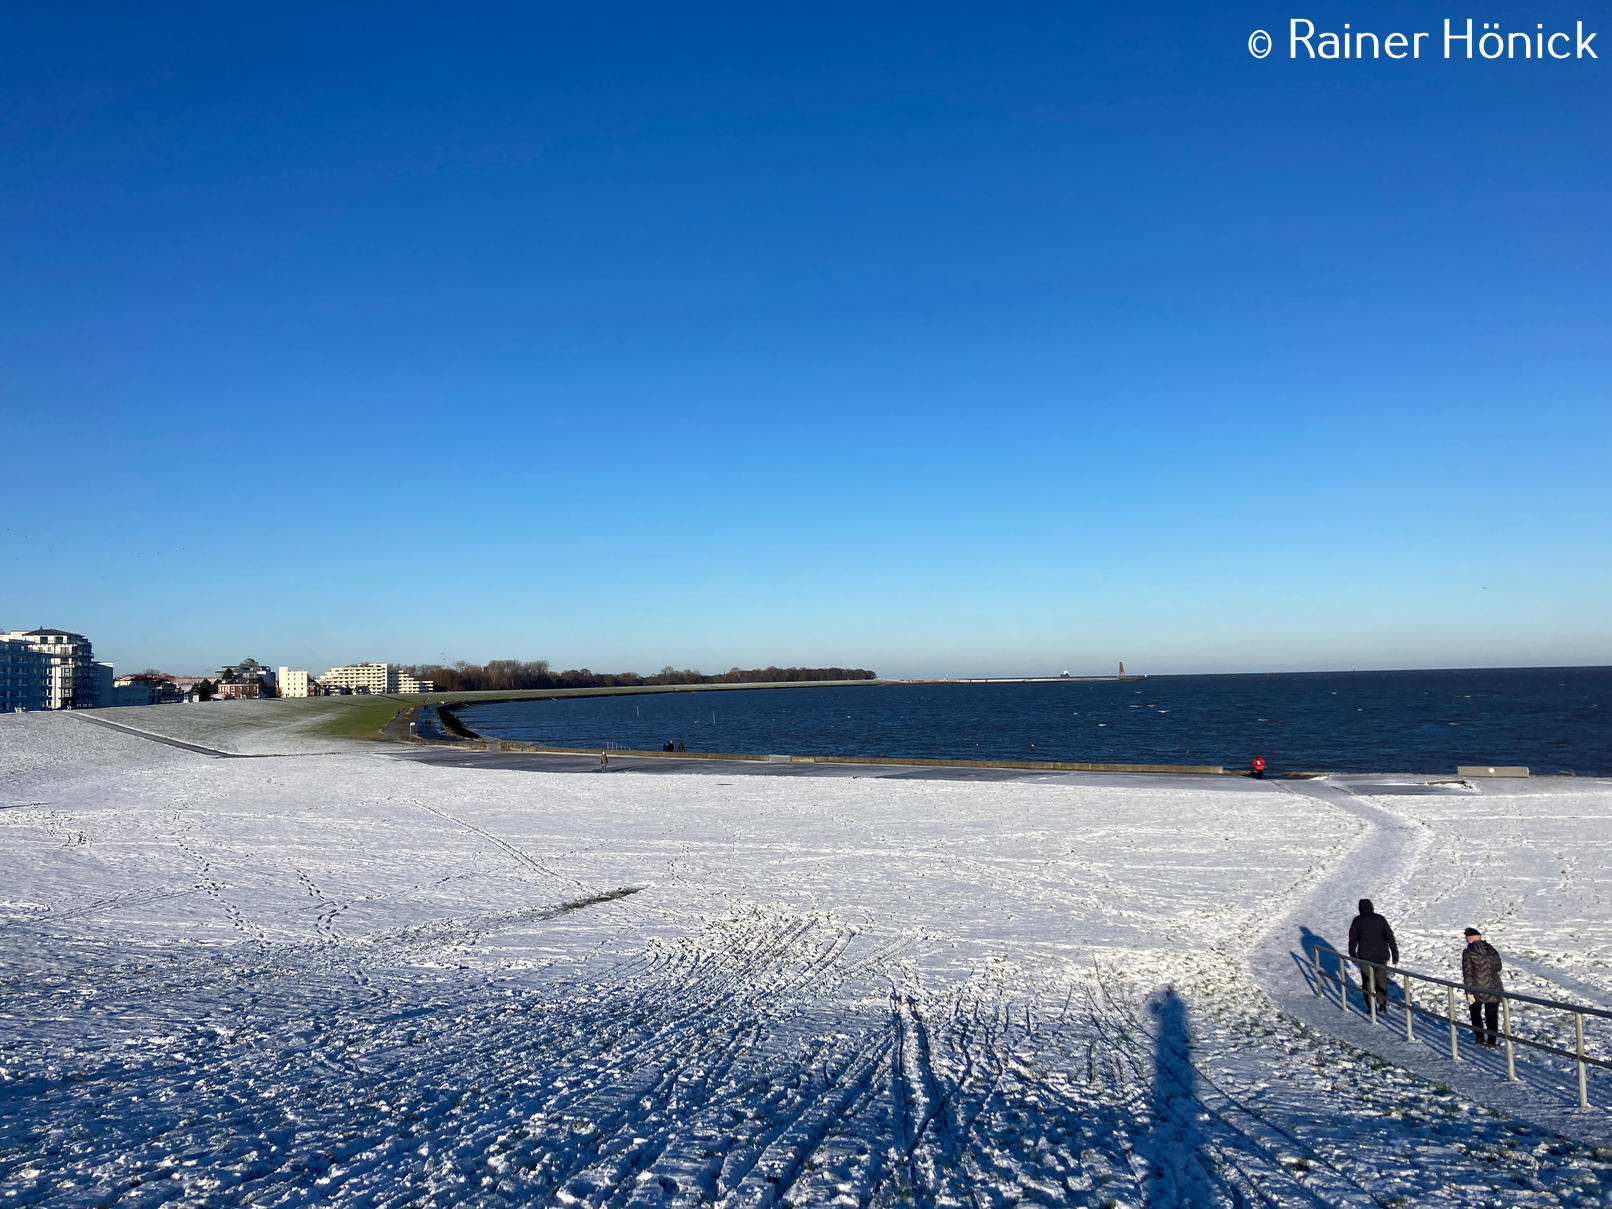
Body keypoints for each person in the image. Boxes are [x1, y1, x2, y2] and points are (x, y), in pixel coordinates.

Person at [1348, 898, 1399, 1012]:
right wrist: (1395, 954)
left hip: (1365, 957)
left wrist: (1352, 954)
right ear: (1371, 907)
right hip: (1381, 956)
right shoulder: (1380, 919)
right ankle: (1382, 1005)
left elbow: (1353, 939)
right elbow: (1390, 937)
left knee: (1367, 982)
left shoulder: (1358, 920)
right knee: (1381, 980)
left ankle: (1371, 1007)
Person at [1462, 927, 1504, 1048]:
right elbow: (1499, 967)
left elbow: (1468, 973)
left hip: (1477, 989)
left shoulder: (1468, 952)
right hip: (1494, 988)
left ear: (1468, 938)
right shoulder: (1491, 950)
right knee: (1492, 1015)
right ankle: (1491, 1041)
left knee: (1475, 1013)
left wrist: (1468, 991)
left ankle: (1479, 1037)